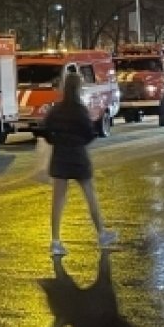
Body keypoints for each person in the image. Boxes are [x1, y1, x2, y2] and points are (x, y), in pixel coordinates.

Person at [45, 72, 117, 256]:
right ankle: (101, 234)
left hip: (60, 156)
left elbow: (46, 130)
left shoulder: (56, 110)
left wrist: (57, 140)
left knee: (58, 201)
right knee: (90, 196)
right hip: (78, 157)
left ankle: (55, 241)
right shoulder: (80, 110)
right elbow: (90, 133)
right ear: (78, 88)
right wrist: (79, 142)